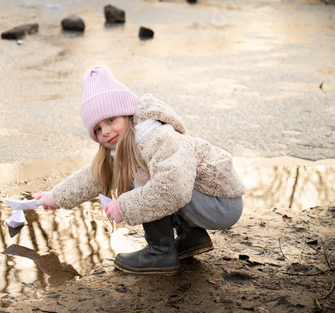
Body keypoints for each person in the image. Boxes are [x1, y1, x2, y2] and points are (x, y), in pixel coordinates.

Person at [36, 65, 246, 275]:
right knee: (143, 174)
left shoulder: (158, 138)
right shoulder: (128, 146)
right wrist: (55, 197)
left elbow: (173, 190)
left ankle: (160, 253)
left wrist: (124, 207)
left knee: (145, 179)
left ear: (127, 115)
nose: (106, 132)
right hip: (203, 200)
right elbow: (94, 177)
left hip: (220, 203)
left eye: (111, 120)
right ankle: (192, 237)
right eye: (98, 129)